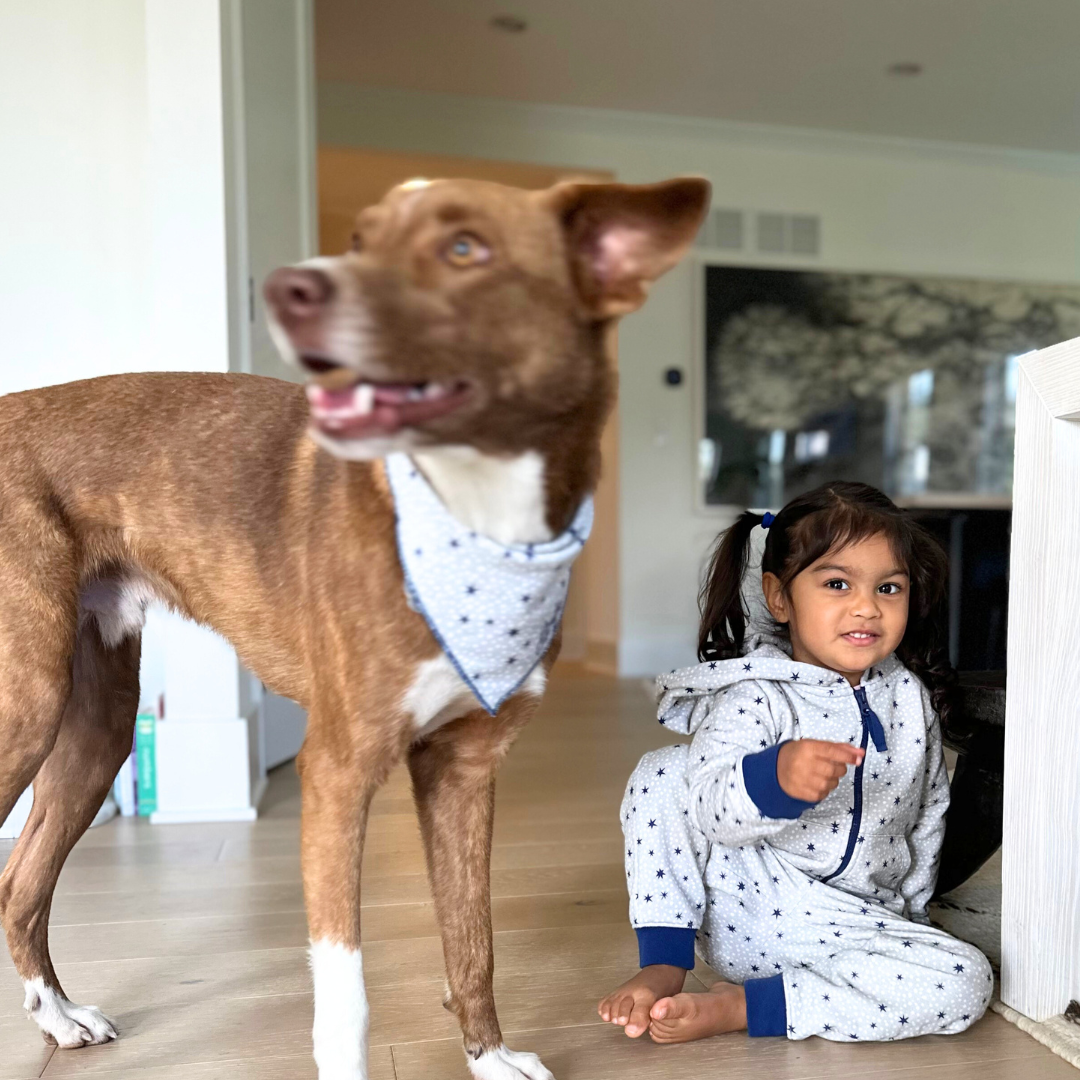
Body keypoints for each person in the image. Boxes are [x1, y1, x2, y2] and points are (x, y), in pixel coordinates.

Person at [598, 481, 992, 1044]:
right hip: (744, 902)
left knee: (965, 980)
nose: (866, 606)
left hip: (849, 924)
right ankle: (664, 963)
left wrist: (912, 916)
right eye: (837, 583)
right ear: (780, 597)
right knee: (663, 771)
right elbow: (710, 809)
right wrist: (772, 781)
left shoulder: (909, 698)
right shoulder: (755, 696)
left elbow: (929, 812)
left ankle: (746, 1007)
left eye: (889, 587)